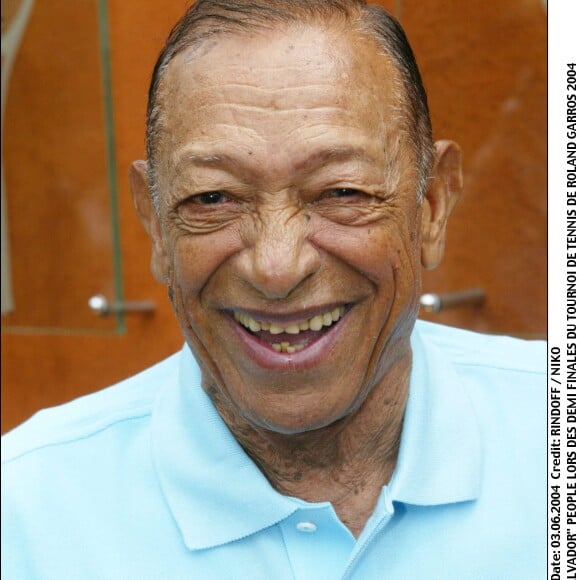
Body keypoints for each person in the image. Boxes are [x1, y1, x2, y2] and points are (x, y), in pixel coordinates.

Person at [2, 1, 546, 578]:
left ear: (432, 206)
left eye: (342, 192)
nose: (277, 268)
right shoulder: (29, 515)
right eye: (213, 198)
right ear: (157, 224)